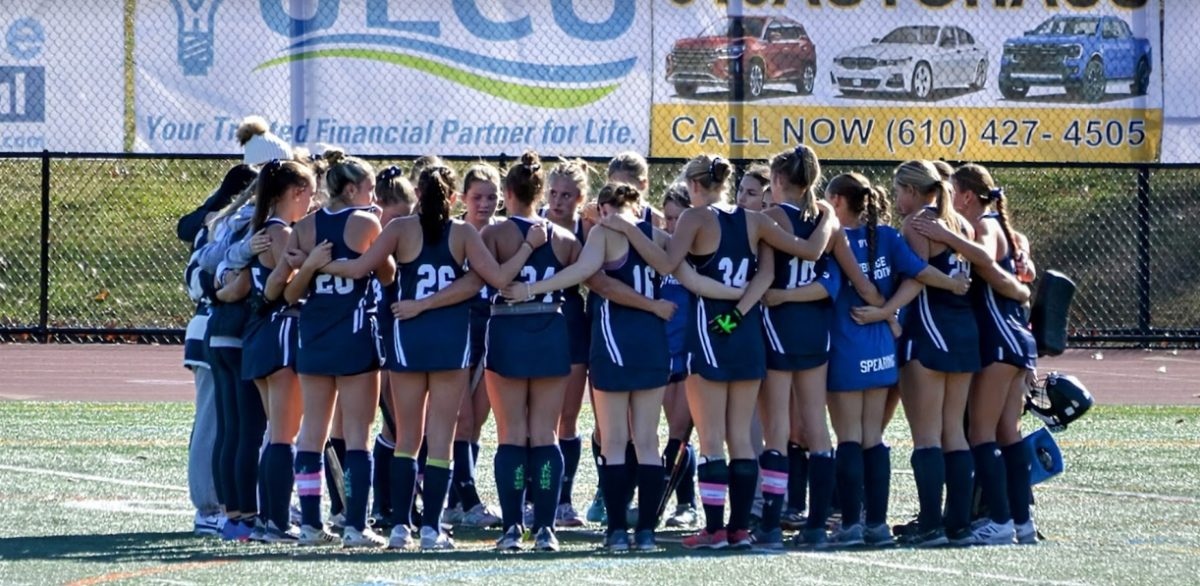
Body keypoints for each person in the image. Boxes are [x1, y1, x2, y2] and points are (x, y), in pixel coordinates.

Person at [611, 153, 835, 550]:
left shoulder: (696, 218)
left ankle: (715, 531)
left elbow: (665, 263)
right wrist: (740, 309)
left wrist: (630, 230)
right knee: (743, 439)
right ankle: (740, 530)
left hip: (710, 331)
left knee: (712, 439)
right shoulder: (754, 218)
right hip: (744, 331)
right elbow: (786, 262)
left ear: (695, 186)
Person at [321, 163, 545, 550]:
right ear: (454, 197)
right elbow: (497, 278)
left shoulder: (399, 229)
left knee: (407, 437)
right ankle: (431, 528)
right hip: (450, 341)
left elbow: (360, 267)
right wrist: (529, 245)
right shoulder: (462, 232)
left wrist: (312, 263)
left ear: (418, 195)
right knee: (440, 440)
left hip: (409, 337)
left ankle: (400, 527)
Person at [504, 182, 703, 551]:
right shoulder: (658, 235)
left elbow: (580, 271)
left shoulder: (605, 232)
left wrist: (531, 290)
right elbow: (684, 274)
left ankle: (617, 532)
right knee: (646, 440)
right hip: (653, 342)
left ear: (605, 208)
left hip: (615, 342)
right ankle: (644, 533)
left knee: (615, 441)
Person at [822, 171, 969, 549]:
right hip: (883, 347)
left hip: (848, 343)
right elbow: (919, 273)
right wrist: (948, 285)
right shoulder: (887, 235)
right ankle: (879, 525)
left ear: (838, 202)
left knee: (849, 438)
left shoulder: (833, 238)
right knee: (874, 437)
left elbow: (837, 286)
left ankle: (851, 524)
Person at [910, 163, 1037, 545]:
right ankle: (1021, 520)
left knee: (981, 433)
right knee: (1006, 433)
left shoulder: (983, 226)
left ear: (965, 195)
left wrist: (946, 235)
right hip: (1016, 340)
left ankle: (999, 520)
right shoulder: (1011, 229)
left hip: (999, 340)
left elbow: (987, 264)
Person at [282, 150, 393, 548]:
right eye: (368, 188)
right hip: (353, 335)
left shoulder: (305, 226)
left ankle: (311, 525)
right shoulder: (365, 222)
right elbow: (386, 271)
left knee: (312, 432)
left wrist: (314, 265)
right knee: (357, 436)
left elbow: (291, 293)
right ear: (350, 189)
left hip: (314, 335)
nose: (374, 197)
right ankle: (355, 525)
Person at [483, 150, 573, 552]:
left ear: (506, 192)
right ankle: (547, 529)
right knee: (545, 433)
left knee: (511, 435)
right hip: (551, 331)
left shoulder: (494, 234)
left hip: (508, 330)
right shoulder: (566, 238)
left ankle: (512, 528)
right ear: (541, 192)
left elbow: (481, 280)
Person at [756, 146, 842, 549]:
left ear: (777, 181)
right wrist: (828, 218)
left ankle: (771, 525)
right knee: (816, 428)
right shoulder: (823, 218)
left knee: (776, 429)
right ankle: (816, 526)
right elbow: (824, 264)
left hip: (780, 325)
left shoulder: (771, 217)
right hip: (816, 327)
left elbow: (774, 272)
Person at [234, 159, 315, 542]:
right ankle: (277, 522)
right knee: (284, 435)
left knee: (275, 434)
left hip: (262, 333)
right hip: (281, 330)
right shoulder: (281, 232)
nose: (312, 202)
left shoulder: (266, 228)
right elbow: (286, 283)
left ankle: (270, 518)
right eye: (310, 194)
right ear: (296, 192)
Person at [177, 163, 257, 536]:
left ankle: (245, 501)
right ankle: (208, 507)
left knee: (245, 423)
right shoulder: (222, 223)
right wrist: (222, 287)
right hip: (213, 328)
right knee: (213, 422)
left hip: (246, 333)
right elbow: (195, 278)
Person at [445, 163, 505, 529]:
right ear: (463, 198)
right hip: (460, 326)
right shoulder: (456, 233)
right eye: (477, 197)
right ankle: (466, 497)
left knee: (477, 421)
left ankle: (455, 498)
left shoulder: (505, 232)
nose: (484, 204)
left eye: (491, 197)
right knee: (461, 419)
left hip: (494, 327)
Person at [367, 165, 416, 531]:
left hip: (408, 330)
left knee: (405, 426)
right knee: (395, 424)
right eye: (394, 217)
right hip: (381, 332)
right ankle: (381, 504)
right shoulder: (368, 236)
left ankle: (394, 503)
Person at [659, 184, 699, 529]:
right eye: (668, 218)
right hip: (657, 354)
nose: (673, 226)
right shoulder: (657, 252)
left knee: (679, 433)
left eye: (679, 218)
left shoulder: (701, 256)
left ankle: (686, 504)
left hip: (689, 355)